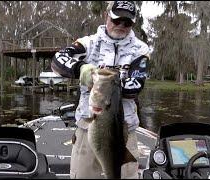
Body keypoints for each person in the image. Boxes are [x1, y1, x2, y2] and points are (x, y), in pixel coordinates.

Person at [51, 1, 150, 179]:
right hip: (87, 125)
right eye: (117, 19)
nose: (121, 25)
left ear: (133, 24)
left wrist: (111, 83)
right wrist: (81, 68)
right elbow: (58, 60)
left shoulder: (140, 49)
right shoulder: (87, 43)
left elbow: (137, 85)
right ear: (106, 16)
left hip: (124, 130)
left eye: (127, 23)